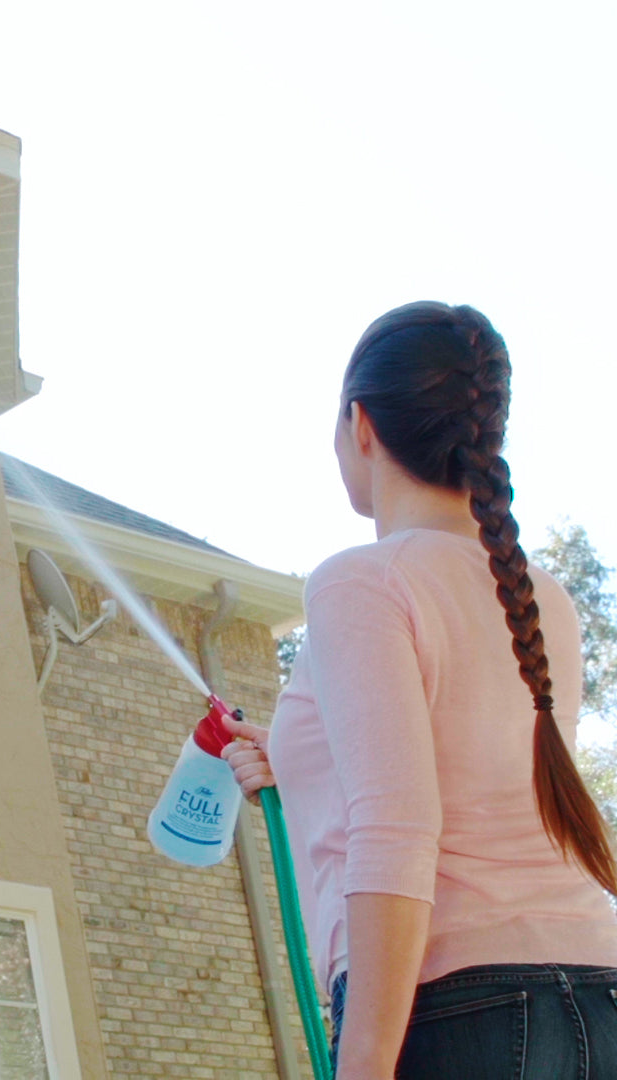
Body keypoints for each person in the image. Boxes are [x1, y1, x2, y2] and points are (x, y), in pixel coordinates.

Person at [221, 301, 617, 1080]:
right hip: (599, 997)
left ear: (360, 424)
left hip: (461, 1012)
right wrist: (301, 758)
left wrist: (365, 1064)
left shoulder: (361, 583)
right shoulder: (543, 597)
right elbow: (477, 773)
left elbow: (398, 828)